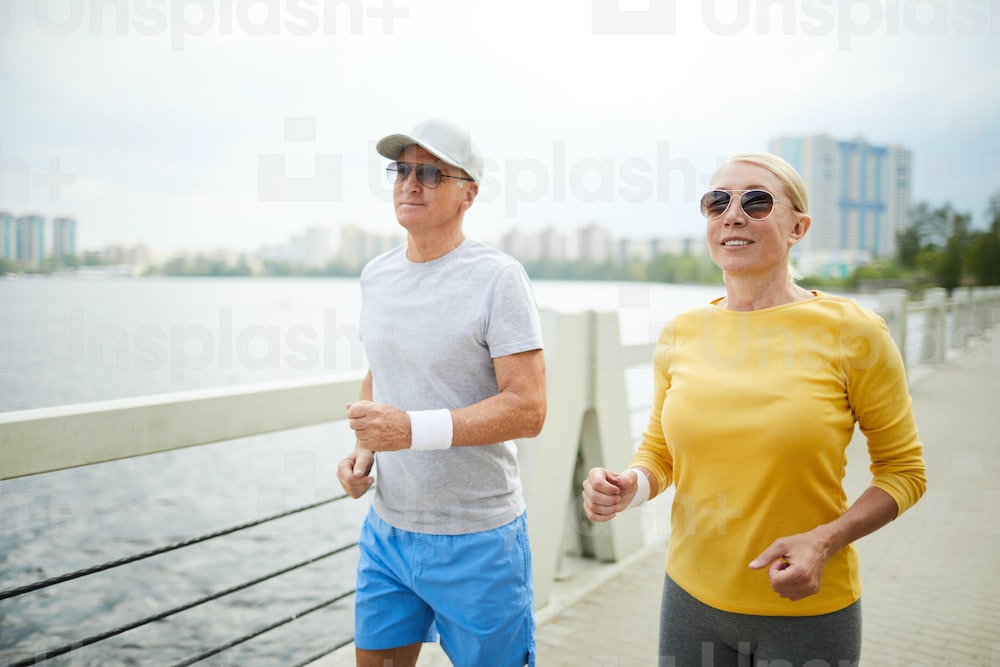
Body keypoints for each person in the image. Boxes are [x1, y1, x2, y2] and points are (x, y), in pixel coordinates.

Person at [582, 152, 927, 666]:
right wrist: (632, 487)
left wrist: (826, 541)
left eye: (757, 201)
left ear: (798, 227)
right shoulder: (682, 332)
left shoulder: (854, 332)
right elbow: (661, 454)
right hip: (689, 599)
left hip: (806, 614)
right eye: (716, 202)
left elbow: (904, 473)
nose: (733, 215)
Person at [336, 118, 547, 667]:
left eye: (430, 173)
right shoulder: (376, 276)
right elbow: (381, 374)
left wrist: (410, 431)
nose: (411, 184)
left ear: (468, 193)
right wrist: (363, 452)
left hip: (478, 539)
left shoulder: (499, 278)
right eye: (402, 170)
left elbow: (528, 408)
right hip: (388, 532)